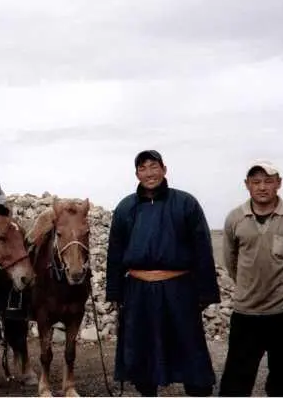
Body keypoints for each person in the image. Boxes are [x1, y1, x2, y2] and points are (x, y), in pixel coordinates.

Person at [105, 150, 220, 397]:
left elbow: (202, 248)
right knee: (143, 356)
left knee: (190, 353)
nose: (149, 173)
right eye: (143, 168)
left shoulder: (185, 203)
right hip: (138, 292)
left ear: (164, 169)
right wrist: (115, 292)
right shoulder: (125, 207)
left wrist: (206, 292)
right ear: (136, 174)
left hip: (179, 290)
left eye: (154, 166)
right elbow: (115, 253)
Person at [219, 161, 283, 397]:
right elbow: (231, 260)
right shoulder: (235, 218)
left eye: (268, 181)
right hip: (246, 313)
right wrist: (248, 286)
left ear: (279, 184)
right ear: (247, 185)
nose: (262, 187)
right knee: (235, 383)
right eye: (256, 182)